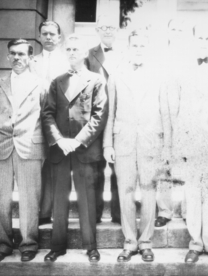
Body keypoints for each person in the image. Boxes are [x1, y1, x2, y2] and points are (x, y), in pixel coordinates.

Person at [103, 29, 171, 263]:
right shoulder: (116, 75)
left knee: (150, 191)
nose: (139, 50)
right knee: (126, 192)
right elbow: (109, 114)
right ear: (128, 48)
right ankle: (130, 242)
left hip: (151, 142)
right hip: (123, 143)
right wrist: (107, 145)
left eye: (143, 46)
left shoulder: (158, 75)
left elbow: (165, 112)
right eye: (135, 46)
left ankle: (146, 242)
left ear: (148, 49)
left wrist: (167, 147)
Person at [42, 34, 108, 263]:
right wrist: (59, 140)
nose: (71, 52)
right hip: (60, 150)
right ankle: (57, 246)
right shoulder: (57, 80)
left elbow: (99, 115)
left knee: (87, 199)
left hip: (84, 149)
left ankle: (90, 246)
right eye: (68, 49)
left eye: (75, 49)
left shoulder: (96, 80)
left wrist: (78, 140)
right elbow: (48, 113)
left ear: (83, 53)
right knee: (59, 200)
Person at [168, 24, 208, 263]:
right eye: (200, 37)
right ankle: (194, 244)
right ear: (193, 40)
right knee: (192, 195)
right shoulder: (180, 70)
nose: (203, 41)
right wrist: (179, 142)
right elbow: (174, 109)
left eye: (207, 37)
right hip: (190, 143)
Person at [0, 39, 47, 263]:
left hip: (29, 146)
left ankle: (28, 245)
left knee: (29, 199)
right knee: (1, 199)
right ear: (7, 57)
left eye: (22, 54)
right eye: (13, 54)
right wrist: (0, 134)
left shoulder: (41, 84)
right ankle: (2, 245)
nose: (17, 58)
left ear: (30, 58)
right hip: (1, 146)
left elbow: (44, 116)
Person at [30, 20, 70, 226]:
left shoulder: (67, 61)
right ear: (39, 36)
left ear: (59, 37)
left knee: (56, 168)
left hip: (58, 124)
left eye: (52, 34)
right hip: (35, 124)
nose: (48, 37)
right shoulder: (31, 62)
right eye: (44, 33)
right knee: (38, 168)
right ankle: (39, 212)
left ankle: (53, 212)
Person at [86, 15, 123, 224]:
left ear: (117, 30)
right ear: (97, 30)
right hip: (98, 117)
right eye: (104, 27)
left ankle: (118, 214)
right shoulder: (89, 54)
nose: (108, 30)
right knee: (97, 167)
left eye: (112, 27)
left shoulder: (125, 54)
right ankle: (96, 213)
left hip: (121, 117)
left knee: (120, 166)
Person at [155, 18, 189, 228]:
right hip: (161, 118)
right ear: (168, 32)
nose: (176, 32)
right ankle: (164, 210)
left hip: (184, 120)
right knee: (164, 166)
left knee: (186, 167)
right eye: (173, 29)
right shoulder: (159, 57)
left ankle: (187, 209)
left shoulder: (190, 58)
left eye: (180, 29)